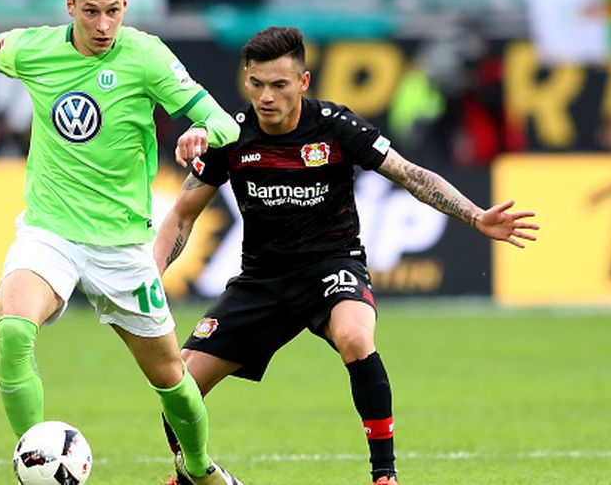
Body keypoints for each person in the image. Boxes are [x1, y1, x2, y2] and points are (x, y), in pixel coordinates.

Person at [155, 26, 539, 485]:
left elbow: (410, 175)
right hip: (262, 279)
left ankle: (384, 475)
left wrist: (475, 216)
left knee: (355, 337)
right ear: (245, 80)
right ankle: (190, 474)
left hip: (331, 266)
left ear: (303, 81)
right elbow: (182, 214)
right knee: (179, 384)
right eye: (257, 84)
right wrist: (151, 275)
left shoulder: (336, 126)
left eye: (279, 84)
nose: (267, 96)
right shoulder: (231, 136)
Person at [0, 0, 244, 484]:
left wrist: (202, 134)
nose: (103, 25)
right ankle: (37, 464)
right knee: (14, 330)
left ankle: (198, 468)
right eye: (91, 12)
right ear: (69, 6)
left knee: (171, 378)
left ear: (125, 6)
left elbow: (224, 123)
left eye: (113, 12)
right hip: (50, 231)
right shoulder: (36, 49)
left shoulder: (147, 56)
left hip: (122, 246)